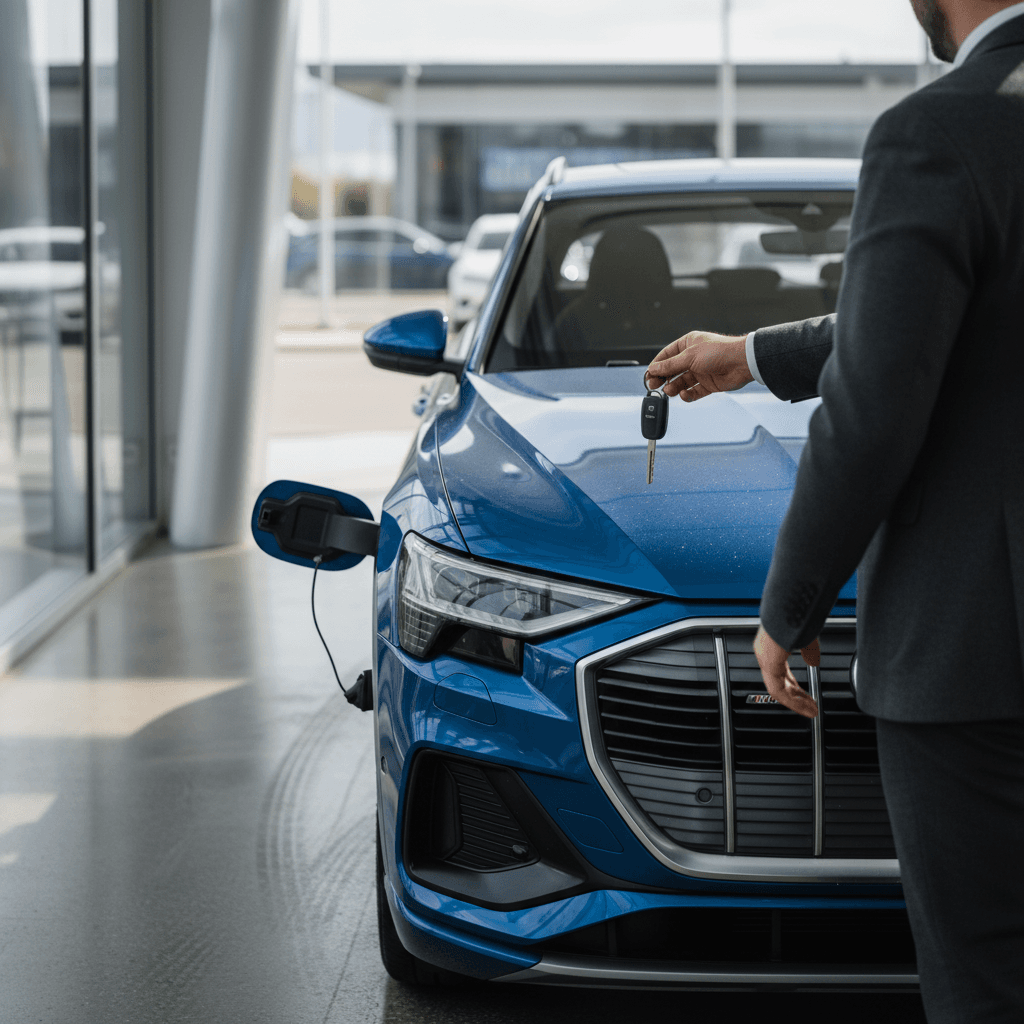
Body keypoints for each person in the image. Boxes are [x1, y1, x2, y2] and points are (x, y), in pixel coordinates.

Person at [646, 2, 1024, 1021]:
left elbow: (875, 403)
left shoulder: (944, 129)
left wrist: (791, 602)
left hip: (982, 654)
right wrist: (754, 354)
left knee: (988, 970)